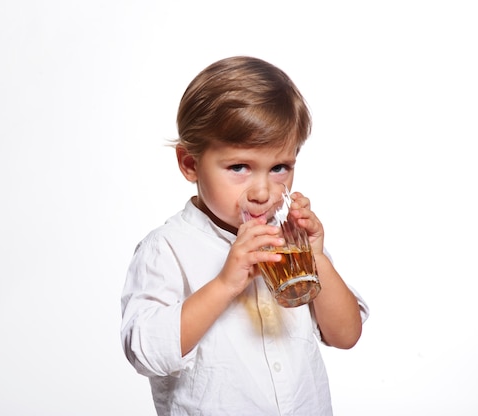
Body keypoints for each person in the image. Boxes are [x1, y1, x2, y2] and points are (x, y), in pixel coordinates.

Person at [120, 56, 369, 416]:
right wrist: (224, 284)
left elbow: (346, 335)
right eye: (239, 167)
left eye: (279, 168)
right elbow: (145, 352)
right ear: (190, 164)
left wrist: (317, 258)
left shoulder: (290, 241)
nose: (263, 191)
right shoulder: (168, 248)